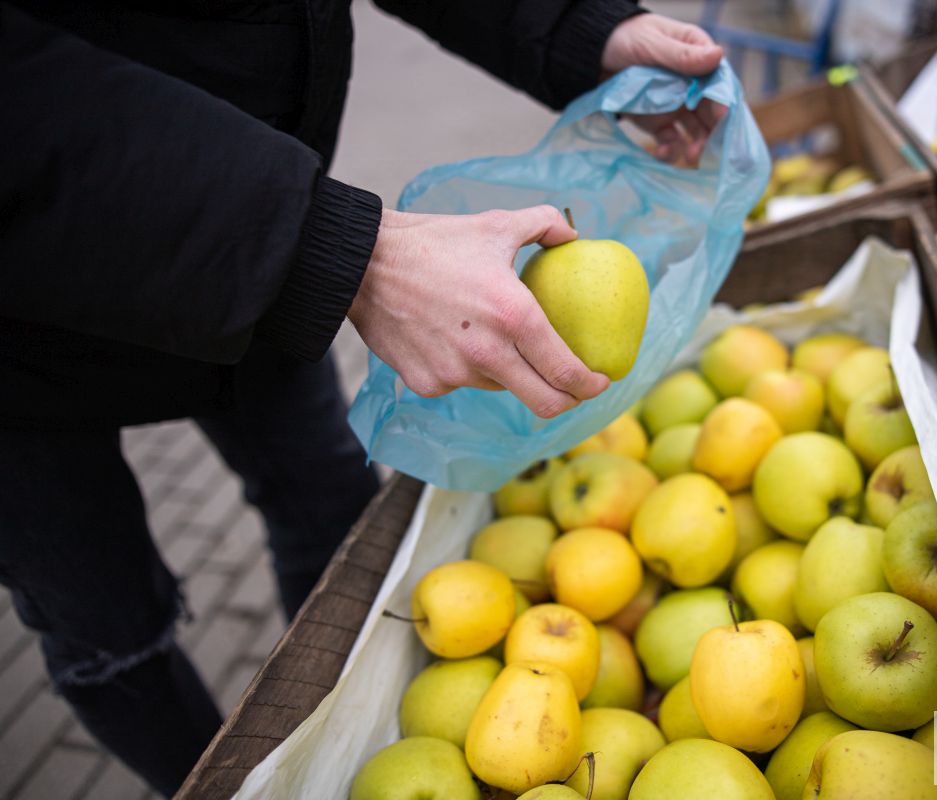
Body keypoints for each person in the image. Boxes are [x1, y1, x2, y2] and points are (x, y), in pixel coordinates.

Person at [0, 1, 726, 795]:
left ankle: (309, 746)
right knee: (106, 627)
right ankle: (211, 783)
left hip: (252, 257)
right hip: (25, 339)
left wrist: (580, 29)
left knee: (327, 508)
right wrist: (331, 250)